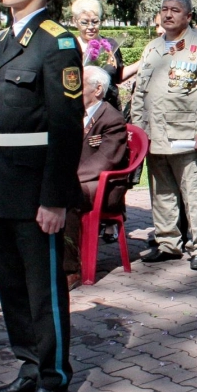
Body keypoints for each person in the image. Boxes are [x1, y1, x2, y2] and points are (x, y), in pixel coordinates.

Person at [0, 0, 84, 392]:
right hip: (3, 180)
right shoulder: (6, 39)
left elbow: (66, 129)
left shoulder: (57, 43)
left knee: (43, 289)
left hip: (38, 186)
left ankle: (52, 377)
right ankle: (26, 364)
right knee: (13, 285)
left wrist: (55, 198)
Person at [131, 0, 197, 270]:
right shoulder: (153, 47)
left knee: (193, 193)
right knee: (161, 192)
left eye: (175, 10)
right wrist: (139, 131)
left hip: (186, 135)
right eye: (164, 9)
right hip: (154, 135)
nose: (168, 15)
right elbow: (139, 92)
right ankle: (168, 243)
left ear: (188, 17)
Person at [64, 66, 129, 285]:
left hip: (105, 186)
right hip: (80, 179)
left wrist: (69, 177)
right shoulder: (72, 113)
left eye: (78, 86)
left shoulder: (112, 119)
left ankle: (70, 270)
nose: (72, 91)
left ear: (98, 89)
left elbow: (105, 161)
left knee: (66, 195)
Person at [69, 0, 125, 110]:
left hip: (109, 108)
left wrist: (143, 61)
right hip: (80, 108)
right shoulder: (70, 48)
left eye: (95, 22)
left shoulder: (110, 45)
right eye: (84, 22)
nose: (91, 27)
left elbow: (119, 76)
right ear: (75, 21)